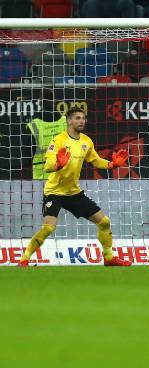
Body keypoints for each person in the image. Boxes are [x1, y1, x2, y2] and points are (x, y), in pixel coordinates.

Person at [18, 107, 131, 267]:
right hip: (54, 192)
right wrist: (58, 164)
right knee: (48, 228)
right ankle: (24, 259)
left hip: (74, 193)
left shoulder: (86, 141)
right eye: (77, 118)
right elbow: (47, 165)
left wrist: (111, 164)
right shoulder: (58, 140)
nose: (82, 121)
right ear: (69, 121)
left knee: (104, 222)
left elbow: (96, 160)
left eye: (83, 118)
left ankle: (109, 257)